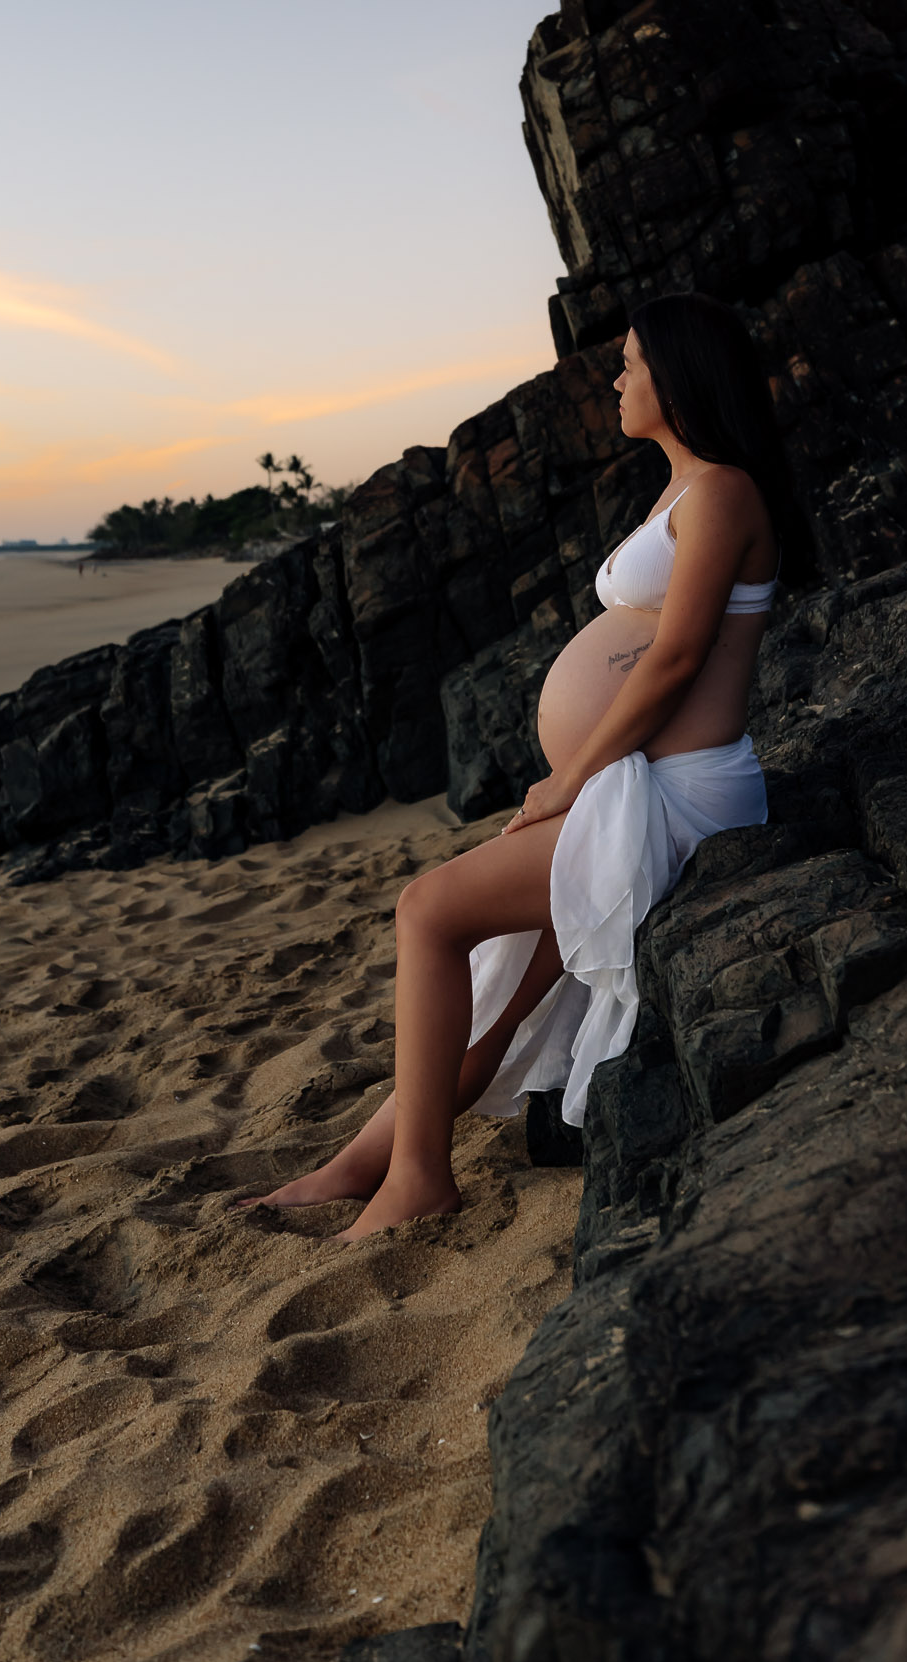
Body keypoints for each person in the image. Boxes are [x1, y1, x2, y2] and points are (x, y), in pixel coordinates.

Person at [245, 291, 804, 1242]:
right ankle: (358, 1163)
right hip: (628, 785)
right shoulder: (680, 489)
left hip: (672, 795)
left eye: (630, 363)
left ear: (678, 376)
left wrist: (569, 777)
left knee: (427, 912)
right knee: (499, 1003)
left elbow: (673, 658)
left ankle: (418, 1177)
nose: (617, 379)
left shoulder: (722, 490)